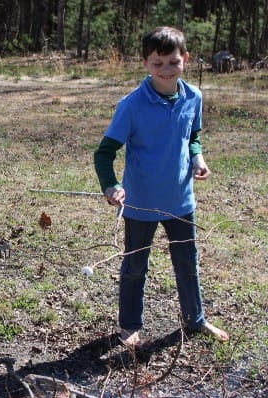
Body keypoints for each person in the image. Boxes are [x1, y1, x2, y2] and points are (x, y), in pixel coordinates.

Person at [93, 26, 229, 348]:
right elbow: (104, 153)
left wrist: (197, 159)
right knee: (135, 265)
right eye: (158, 64)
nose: (166, 71)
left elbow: (192, 137)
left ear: (186, 60)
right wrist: (111, 186)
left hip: (181, 201)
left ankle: (195, 320)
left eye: (173, 62)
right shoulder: (131, 105)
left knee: (187, 263)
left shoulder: (194, 97)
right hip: (141, 203)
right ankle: (129, 326)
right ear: (145, 63)